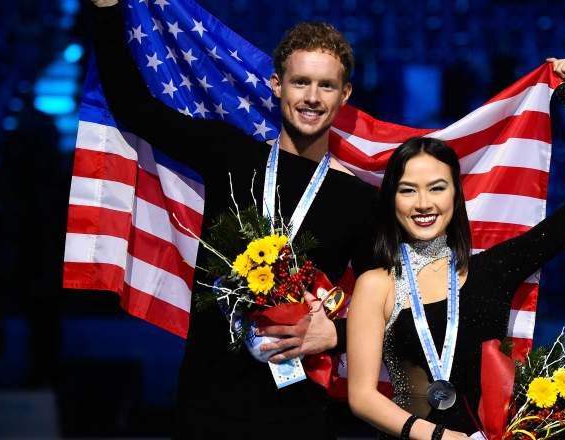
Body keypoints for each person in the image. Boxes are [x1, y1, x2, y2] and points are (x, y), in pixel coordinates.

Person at [90, 1, 376, 438]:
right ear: (277, 85)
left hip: (300, 413)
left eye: (326, 85)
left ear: (345, 94)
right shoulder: (231, 154)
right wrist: (107, 11)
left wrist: (337, 334)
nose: (313, 98)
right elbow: (134, 109)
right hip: (206, 404)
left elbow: (396, 301)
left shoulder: (357, 200)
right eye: (300, 82)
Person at [346, 60, 565, 439]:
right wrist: (439, 438)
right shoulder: (376, 285)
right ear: (391, 200)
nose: (423, 203)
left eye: (437, 187)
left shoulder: (496, 269)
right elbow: (362, 397)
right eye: (407, 190)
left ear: (456, 195)